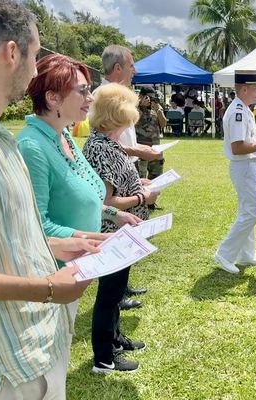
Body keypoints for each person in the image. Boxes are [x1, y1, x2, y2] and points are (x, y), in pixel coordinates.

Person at [0, 1, 103, 398]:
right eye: (35, 54)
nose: (35, 70)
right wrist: (46, 287)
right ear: (11, 52)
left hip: (27, 351)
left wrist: (54, 244)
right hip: (4, 370)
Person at [17, 54, 142, 317]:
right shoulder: (33, 147)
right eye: (82, 90)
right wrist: (94, 239)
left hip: (79, 268)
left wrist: (114, 215)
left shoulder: (62, 135)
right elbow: (38, 226)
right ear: (53, 98)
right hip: (53, 275)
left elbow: (89, 193)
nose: (91, 97)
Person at [83, 83, 160, 373]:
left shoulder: (106, 143)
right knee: (109, 295)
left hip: (124, 231)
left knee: (114, 294)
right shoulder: (104, 149)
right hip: (114, 231)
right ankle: (104, 356)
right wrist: (143, 197)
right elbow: (107, 200)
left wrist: (139, 184)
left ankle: (115, 338)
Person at [214, 70, 256, 274]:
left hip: (249, 165)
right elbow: (238, 147)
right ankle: (225, 253)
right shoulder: (237, 112)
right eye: (255, 88)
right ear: (244, 89)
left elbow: (248, 141)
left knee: (248, 210)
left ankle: (246, 254)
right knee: (251, 212)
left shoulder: (243, 109)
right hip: (243, 166)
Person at [100, 44, 152, 306]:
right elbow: (103, 139)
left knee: (127, 234)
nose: (135, 70)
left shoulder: (122, 93)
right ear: (118, 67)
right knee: (116, 230)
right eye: (131, 65)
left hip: (124, 165)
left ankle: (121, 286)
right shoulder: (103, 96)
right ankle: (115, 293)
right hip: (113, 167)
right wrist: (139, 150)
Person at [136, 87, 166, 180]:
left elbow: (163, 124)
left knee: (156, 178)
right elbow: (133, 121)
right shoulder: (134, 108)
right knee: (141, 178)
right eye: (148, 97)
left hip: (155, 148)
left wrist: (158, 111)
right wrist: (141, 106)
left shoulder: (156, 108)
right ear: (141, 96)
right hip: (141, 149)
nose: (150, 100)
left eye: (153, 98)